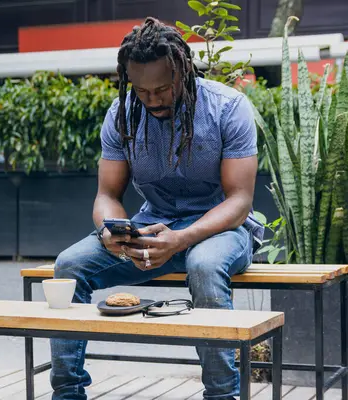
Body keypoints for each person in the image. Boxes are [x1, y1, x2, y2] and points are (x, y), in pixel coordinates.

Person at [50, 16, 265, 400]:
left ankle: (222, 395)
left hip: (220, 230)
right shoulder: (122, 114)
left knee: (203, 265)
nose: (152, 100)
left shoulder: (228, 108)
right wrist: (110, 231)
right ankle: (67, 393)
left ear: (184, 71)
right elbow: (106, 194)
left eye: (163, 88)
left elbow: (239, 200)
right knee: (69, 265)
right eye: (142, 90)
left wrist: (181, 239)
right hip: (152, 230)